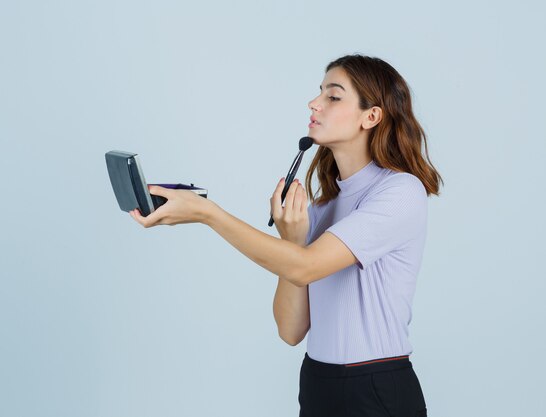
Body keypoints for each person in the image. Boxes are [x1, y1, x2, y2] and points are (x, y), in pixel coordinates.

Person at [129, 53, 442, 417]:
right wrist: (292, 242)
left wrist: (208, 214)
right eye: (319, 93)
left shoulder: (399, 191)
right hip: (317, 382)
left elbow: (305, 268)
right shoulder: (324, 207)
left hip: (376, 388)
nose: (315, 103)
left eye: (333, 96)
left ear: (370, 116)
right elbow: (291, 330)